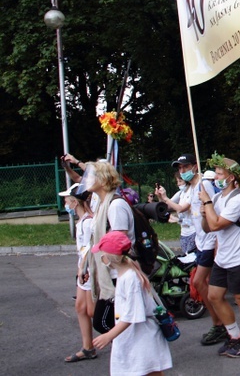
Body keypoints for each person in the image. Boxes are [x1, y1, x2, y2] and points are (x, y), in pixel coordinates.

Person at [157, 153, 223, 346]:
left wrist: (217, 241)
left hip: (211, 242)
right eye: (180, 168)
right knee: (204, 284)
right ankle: (220, 324)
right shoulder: (191, 188)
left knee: (203, 283)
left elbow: (215, 211)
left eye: (185, 167)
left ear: (195, 166)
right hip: (200, 242)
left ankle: (222, 325)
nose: (182, 171)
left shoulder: (205, 185)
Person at [199, 154, 240, 358]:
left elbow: (218, 224)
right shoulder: (217, 198)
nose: (215, 178)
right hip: (221, 257)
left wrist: (207, 203)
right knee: (214, 296)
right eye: (215, 174)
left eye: (219, 173)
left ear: (232, 177)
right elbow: (208, 228)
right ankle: (234, 335)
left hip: (239, 257)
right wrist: (203, 211)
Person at [91, 231, 172, 376]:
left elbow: (131, 315)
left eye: (102, 253)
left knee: (147, 372)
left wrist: (109, 336)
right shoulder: (127, 274)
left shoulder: (130, 278)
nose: (101, 257)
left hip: (141, 340)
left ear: (111, 257)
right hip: (136, 339)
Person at [83, 161, 135, 334]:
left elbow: (120, 243)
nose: (88, 179)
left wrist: (105, 260)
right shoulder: (101, 204)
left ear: (103, 179)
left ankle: (130, 353)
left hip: (116, 273)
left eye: (92, 175)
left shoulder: (115, 205)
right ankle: (126, 354)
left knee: (104, 323)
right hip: (108, 271)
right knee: (111, 322)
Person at [61, 183, 97, 363]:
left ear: (75, 202)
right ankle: (87, 347)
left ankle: (120, 335)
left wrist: (84, 269)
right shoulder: (81, 222)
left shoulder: (89, 222)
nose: (65, 204)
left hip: (89, 270)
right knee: (80, 308)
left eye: (67, 200)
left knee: (92, 310)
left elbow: (91, 249)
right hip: (83, 270)